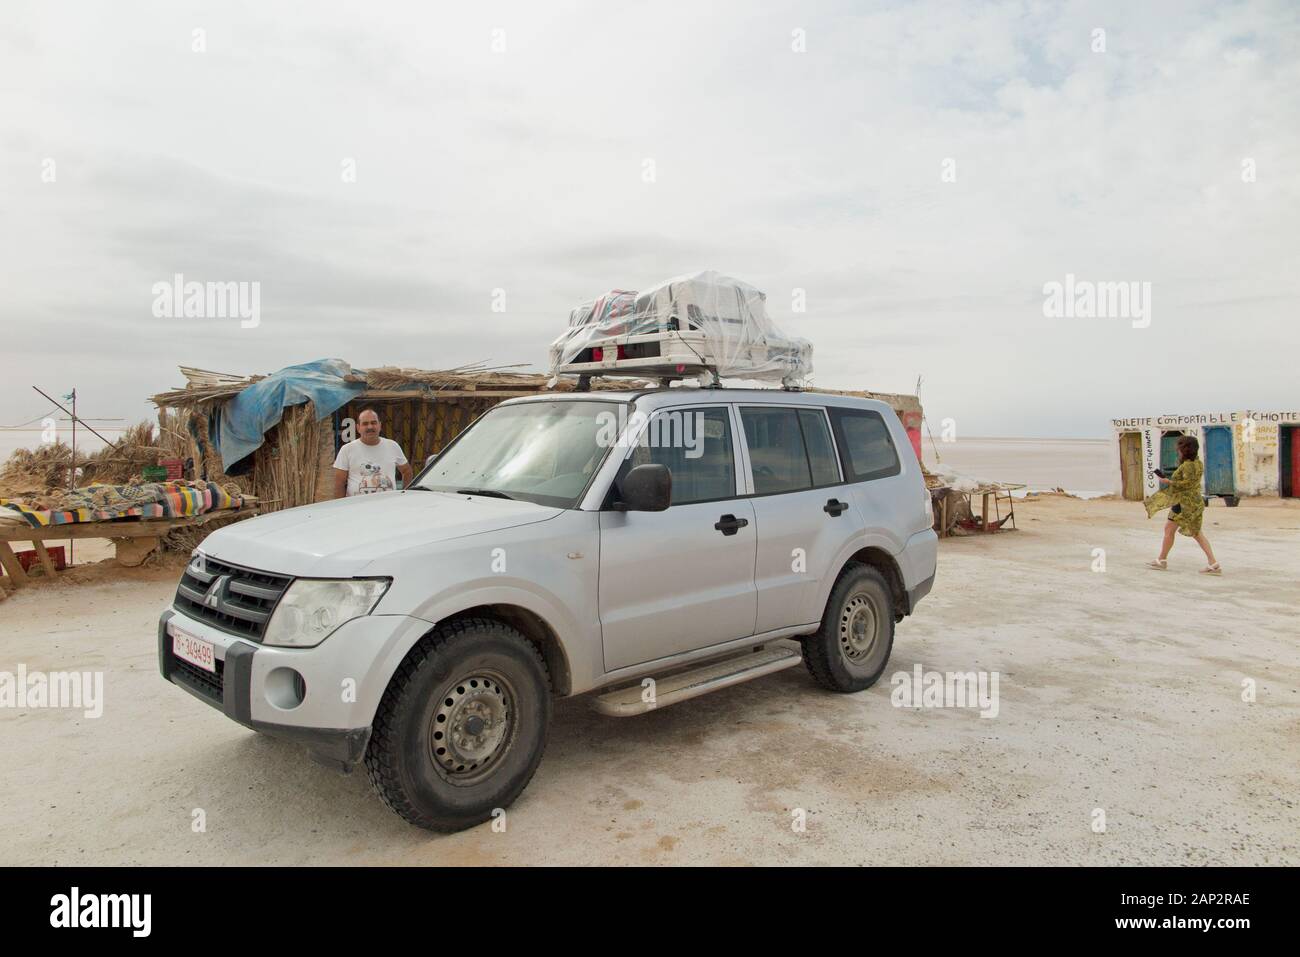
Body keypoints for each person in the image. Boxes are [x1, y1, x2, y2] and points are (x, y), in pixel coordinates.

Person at [1144, 435, 1221, 574]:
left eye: (1179, 448)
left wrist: (1168, 482)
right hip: (1193, 501)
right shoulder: (1198, 463)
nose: (1177, 451)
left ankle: (1162, 560)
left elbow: (1186, 484)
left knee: (1183, 531)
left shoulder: (1188, 465)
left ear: (1184, 450)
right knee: (1184, 531)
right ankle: (1163, 559)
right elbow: (1191, 483)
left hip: (1184, 502)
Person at [333, 408, 413, 498]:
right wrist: (342, 508)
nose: (370, 427)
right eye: (365, 424)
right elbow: (339, 482)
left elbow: (407, 471)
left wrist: (404, 495)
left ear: (380, 425)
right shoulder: (347, 449)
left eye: (373, 423)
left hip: (388, 506)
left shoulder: (392, 446)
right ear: (358, 428)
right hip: (357, 507)